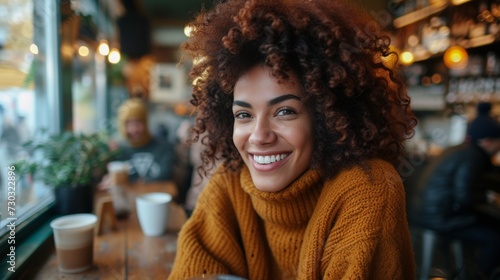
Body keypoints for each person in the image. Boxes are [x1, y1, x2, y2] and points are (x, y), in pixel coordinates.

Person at [169, 0, 417, 279]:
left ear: (326, 118)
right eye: (244, 114)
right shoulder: (228, 186)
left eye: (284, 111)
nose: (259, 136)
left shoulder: (368, 189)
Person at [409, 102, 500, 278]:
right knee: (496, 237)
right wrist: (489, 207)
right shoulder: (472, 157)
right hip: (439, 218)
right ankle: (477, 276)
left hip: (424, 213)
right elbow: (464, 197)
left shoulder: (460, 150)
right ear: (488, 141)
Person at [101, 98, 175, 185]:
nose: (134, 129)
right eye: (128, 124)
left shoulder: (164, 147)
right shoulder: (117, 150)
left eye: (138, 123)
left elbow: (166, 176)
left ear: (145, 123)